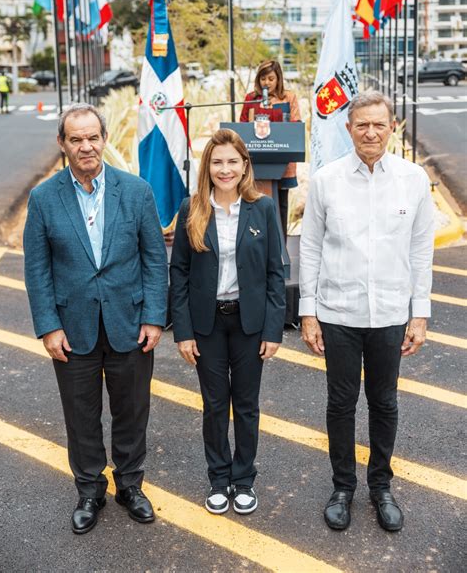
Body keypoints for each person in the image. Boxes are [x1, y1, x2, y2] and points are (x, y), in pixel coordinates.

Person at [24, 103, 168, 534]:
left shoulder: (137, 190)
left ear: (104, 139)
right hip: (72, 330)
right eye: (76, 139)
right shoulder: (44, 198)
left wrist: (155, 318)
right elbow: (37, 268)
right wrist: (48, 326)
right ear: (63, 144)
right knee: (80, 415)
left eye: (93, 137)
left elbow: (154, 260)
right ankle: (89, 489)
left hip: (131, 323)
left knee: (132, 411)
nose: (86, 146)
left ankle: (129, 485)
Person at [299, 91, 434, 533]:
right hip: (338, 313)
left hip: (391, 314)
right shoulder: (327, 179)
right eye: (362, 125)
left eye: (379, 124)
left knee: (384, 402)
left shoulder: (413, 180)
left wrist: (420, 314)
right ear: (348, 128)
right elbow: (311, 246)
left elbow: (420, 250)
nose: (370, 132)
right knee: (340, 404)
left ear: (391, 127)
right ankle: (343, 488)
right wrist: (308, 312)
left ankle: (381, 486)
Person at [170, 128, 286, 516]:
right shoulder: (192, 209)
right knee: (215, 405)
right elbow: (180, 273)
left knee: (247, 404)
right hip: (207, 324)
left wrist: (273, 329)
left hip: (249, 322)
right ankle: (219, 479)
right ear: (208, 167)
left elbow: (275, 273)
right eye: (217, 162)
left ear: (244, 165)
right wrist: (183, 331)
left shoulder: (263, 208)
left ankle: (244, 479)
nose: (225, 169)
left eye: (232, 161)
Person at [240, 59, 301, 240]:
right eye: (263, 79)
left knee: (281, 204)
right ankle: (257, 243)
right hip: (257, 163)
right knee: (256, 203)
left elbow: (295, 126)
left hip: (283, 163)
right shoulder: (251, 99)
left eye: (271, 79)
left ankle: (281, 246)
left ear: (279, 79)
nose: (266, 83)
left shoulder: (289, 98)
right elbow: (243, 125)